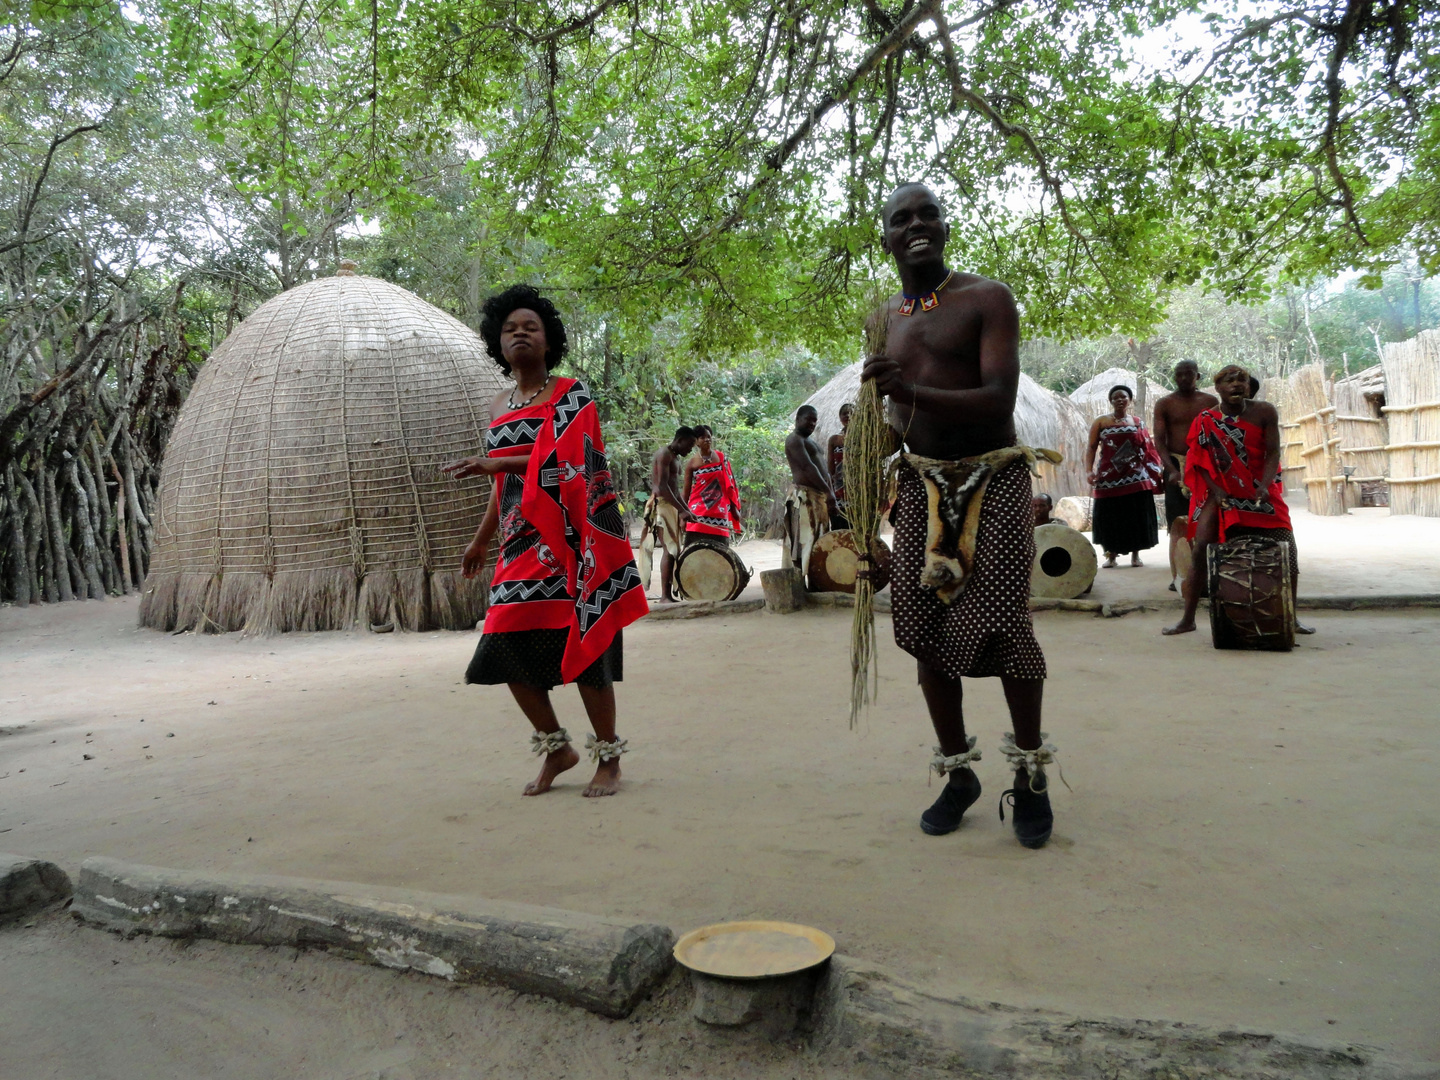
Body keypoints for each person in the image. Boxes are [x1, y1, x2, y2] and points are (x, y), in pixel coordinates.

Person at [860, 182, 1060, 849]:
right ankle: (959, 774)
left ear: (945, 227)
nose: (916, 225)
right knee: (920, 628)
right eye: (900, 219)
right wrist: (860, 509)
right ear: (885, 238)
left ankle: (1029, 773)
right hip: (920, 485)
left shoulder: (985, 298)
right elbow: (891, 419)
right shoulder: (888, 314)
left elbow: (997, 395)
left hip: (993, 477)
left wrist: (907, 389)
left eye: (927, 214)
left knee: (1004, 623)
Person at [443, 285, 647, 798]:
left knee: (585, 646)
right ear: (497, 340)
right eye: (510, 328)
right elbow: (501, 487)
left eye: (530, 327)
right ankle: (557, 749)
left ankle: (608, 758)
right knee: (504, 644)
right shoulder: (497, 406)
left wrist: (499, 461)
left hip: (574, 544)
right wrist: (480, 540)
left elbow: (576, 457)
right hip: (518, 547)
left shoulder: (570, 394)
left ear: (549, 339)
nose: (519, 334)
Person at [1163, 364, 1315, 637]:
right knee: (1200, 552)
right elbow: (1197, 460)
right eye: (1229, 381)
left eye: (1241, 380)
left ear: (1248, 386)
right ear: (1217, 388)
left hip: (1260, 493)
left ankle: (1291, 617)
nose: (1236, 385)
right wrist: (1216, 490)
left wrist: (1266, 485)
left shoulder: (1264, 411)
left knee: (1288, 551)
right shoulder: (1206, 419)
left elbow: (1272, 453)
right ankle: (1188, 618)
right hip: (1221, 493)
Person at [1153, 361, 1218, 591]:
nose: (1182, 379)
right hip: (1176, 465)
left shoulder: (1210, 402)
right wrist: (1172, 470)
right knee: (1178, 524)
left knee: (1207, 521)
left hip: (1204, 467)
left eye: (1187, 374)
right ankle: (1178, 576)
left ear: (1197, 376)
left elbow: (1216, 437)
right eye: (1178, 375)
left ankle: (1208, 573)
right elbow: (1159, 440)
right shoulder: (1165, 403)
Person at [1085, 385, 1164, 568]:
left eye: (1123, 397)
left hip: (1136, 477)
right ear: (1110, 401)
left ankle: (1135, 556)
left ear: (1130, 400)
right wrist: (1089, 471)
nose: (1120, 400)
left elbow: (1147, 448)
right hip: (1108, 477)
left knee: (1135, 515)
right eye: (1116, 397)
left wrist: (1156, 470)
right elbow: (1091, 447)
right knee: (1110, 516)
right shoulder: (1101, 422)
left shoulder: (1137, 422)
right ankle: (1111, 556)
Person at [638, 427, 698, 602]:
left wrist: (686, 510)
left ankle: (668, 594)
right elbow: (661, 488)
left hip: (670, 503)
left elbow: (676, 491)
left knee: (674, 549)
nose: (690, 449)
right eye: (689, 445)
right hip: (662, 504)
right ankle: (665, 596)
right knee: (670, 549)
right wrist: (681, 510)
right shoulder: (664, 454)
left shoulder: (674, 457)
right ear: (680, 439)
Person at [783, 405, 837, 573]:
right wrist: (828, 492)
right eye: (809, 419)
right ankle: (800, 584)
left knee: (818, 542)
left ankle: (816, 583)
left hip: (816, 497)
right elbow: (807, 467)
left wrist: (829, 491)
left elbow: (822, 469)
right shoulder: (794, 440)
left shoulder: (810, 442)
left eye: (815, 421)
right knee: (803, 542)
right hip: (804, 497)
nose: (812, 424)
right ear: (798, 419)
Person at [682, 425, 743, 545]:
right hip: (697, 511)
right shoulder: (692, 463)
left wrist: (734, 509)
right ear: (696, 442)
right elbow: (686, 492)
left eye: (709, 436)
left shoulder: (721, 457)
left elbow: (730, 484)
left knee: (721, 549)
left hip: (719, 510)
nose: (707, 439)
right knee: (693, 549)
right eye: (702, 437)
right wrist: (683, 516)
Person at [826, 403, 854, 528]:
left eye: (851, 413)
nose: (848, 415)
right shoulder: (835, 440)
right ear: (840, 417)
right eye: (844, 413)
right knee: (839, 530)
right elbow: (830, 469)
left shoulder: (865, 439)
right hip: (839, 490)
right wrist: (830, 493)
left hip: (859, 491)